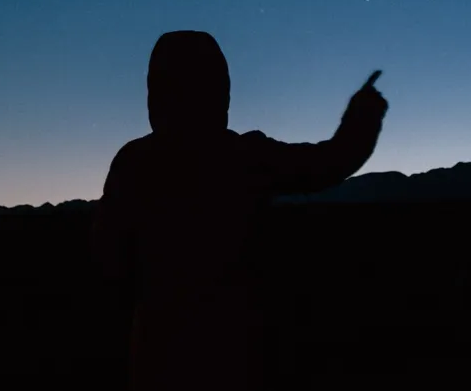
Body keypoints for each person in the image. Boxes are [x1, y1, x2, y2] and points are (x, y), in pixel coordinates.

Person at [91, 30, 388, 391]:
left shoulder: (134, 163)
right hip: (235, 345)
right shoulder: (244, 158)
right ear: (220, 91)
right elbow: (331, 161)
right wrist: (363, 116)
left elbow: (109, 259)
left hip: (159, 348)